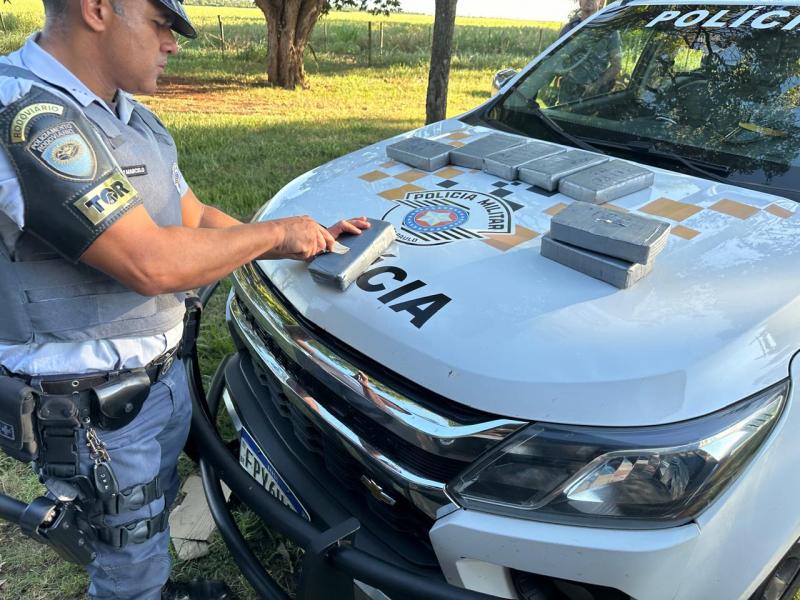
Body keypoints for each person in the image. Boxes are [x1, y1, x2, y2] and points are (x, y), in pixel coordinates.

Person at [0, 0, 369, 598]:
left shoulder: (130, 117)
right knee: (126, 555)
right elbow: (148, 262)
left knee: (148, 519)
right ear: (97, 9)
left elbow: (192, 216)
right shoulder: (33, 119)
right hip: (92, 409)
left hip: (155, 383)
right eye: (161, 24)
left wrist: (304, 244)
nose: (173, 43)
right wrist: (274, 232)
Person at [557, 0, 622, 103]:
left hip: (592, 99)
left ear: (601, 2)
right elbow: (555, 60)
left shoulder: (609, 30)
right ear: (579, 2)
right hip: (567, 95)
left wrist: (595, 86)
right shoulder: (569, 29)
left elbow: (616, 66)